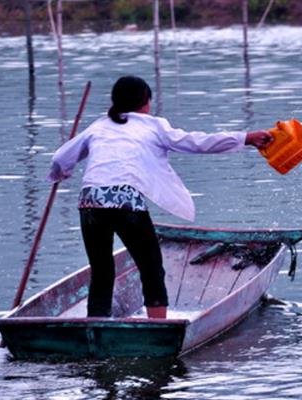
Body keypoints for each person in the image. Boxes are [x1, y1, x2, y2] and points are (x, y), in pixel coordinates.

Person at [47, 76, 272, 319]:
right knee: (151, 267)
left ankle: (95, 325)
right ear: (145, 103)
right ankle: (158, 325)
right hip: (124, 199)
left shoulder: (99, 126)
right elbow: (197, 142)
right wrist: (246, 138)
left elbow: (60, 159)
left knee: (102, 270)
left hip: (90, 200)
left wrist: (61, 174)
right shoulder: (153, 126)